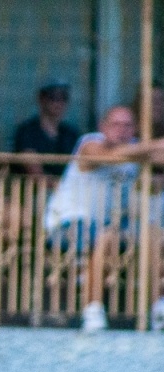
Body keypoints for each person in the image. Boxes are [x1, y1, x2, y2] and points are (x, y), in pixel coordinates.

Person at [44, 105, 164, 331]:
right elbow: (110, 157)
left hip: (113, 224)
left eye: (127, 125)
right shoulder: (89, 143)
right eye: (116, 124)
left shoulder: (136, 150)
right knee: (105, 236)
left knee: (152, 233)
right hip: (70, 222)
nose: (121, 130)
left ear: (135, 129)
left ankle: (159, 308)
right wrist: (153, 146)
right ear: (103, 127)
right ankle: (93, 308)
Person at [11, 80, 80, 177]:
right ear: (42, 99)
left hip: (67, 185)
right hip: (35, 186)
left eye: (64, 97)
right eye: (53, 97)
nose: (59, 103)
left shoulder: (71, 133)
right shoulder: (27, 131)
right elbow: (33, 169)